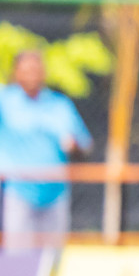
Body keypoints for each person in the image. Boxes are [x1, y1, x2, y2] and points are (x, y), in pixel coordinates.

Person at [0, 49, 91, 251]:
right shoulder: (5, 101)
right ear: (16, 73)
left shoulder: (59, 105)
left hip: (55, 194)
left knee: (52, 260)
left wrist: (73, 145)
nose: (32, 75)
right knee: (18, 258)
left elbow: (84, 145)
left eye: (36, 69)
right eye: (26, 70)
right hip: (19, 193)